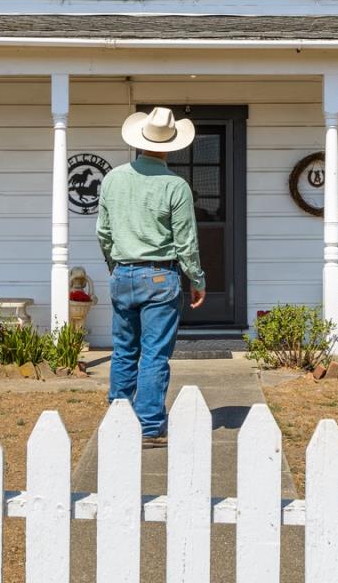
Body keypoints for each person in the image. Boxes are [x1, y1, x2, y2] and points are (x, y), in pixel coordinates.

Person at [96, 106, 205, 445]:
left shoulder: (113, 179)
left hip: (122, 273)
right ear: (170, 146)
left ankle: (118, 420)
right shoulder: (176, 186)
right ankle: (148, 427)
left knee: (123, 350)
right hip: (159, 276)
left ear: (139, 140)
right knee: (154, 354)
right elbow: (186, 241)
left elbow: (103, 232)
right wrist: (197, 279)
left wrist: (115, 267)